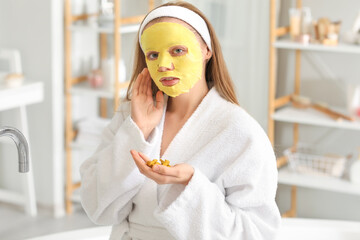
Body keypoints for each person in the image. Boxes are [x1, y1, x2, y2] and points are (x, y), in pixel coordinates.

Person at [80, 1, 281, 240]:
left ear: (207, 50)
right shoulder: (129, 117)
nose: (163, 64)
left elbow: (258, 234)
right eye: (153, 55)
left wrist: (191, 187)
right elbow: (96, 207)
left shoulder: (241, 132)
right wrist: (138, 131)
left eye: (177, 50)